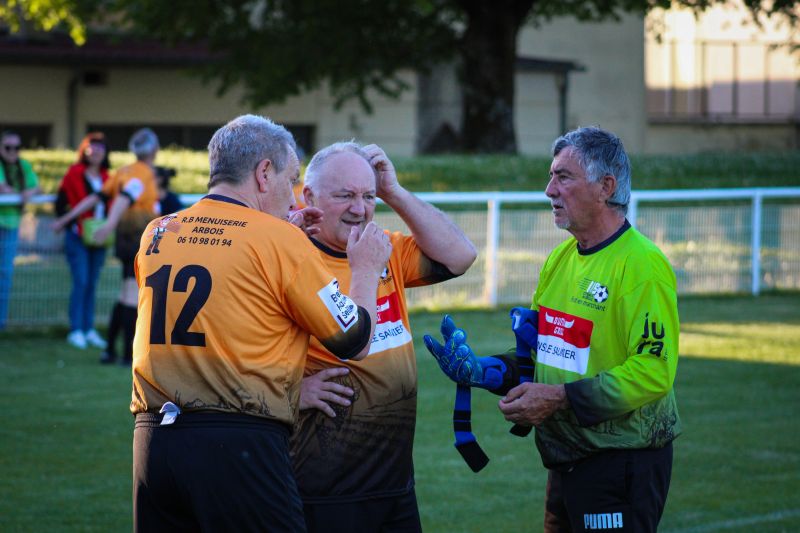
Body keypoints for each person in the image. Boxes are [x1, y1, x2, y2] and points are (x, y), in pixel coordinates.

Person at [130, 115, 391, 532]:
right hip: (238, 443)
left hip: (154, 442)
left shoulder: (158, 232)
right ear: (264, 173)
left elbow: (224, 291)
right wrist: (365, 270)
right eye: (291, 180)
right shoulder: (279, 239)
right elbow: (355, 338)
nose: (295, 198)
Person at [424, 126, 681, 532]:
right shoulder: (560, 259)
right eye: (551, 176)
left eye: (563, 177)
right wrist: (483, 370)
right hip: (566, 460)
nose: (549, 190)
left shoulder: (642, 265)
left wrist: (560, 398)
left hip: (620, 461)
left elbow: (654, 371)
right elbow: (540, 355)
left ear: (606, 187)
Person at [290, 142, 477, 532]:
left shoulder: (380, 248)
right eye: (345, 196)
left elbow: (461, 255)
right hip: (324, 485)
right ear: (310, 196)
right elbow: (237, 348)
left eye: (368, 196)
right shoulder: (290, 261)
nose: (360, 209)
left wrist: (394, 191)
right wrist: (290, 390)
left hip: (395, 481)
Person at [53, 128, 161, 365]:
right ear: (154, 149)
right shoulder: (142, 174)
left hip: (124, 238)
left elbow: (97, 197)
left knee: (125, 293)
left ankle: (110, 351)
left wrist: (66, 218)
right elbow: (124, 198)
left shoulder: (124, 170)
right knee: (132, 295)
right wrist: (109, 224)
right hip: (138, 237)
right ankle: (126, 355)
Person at [54, 133, 111, 349]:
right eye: (92, 147)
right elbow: (62, 202)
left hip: (99, 235)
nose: (96, 152)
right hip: (78, 235)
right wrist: (68, 222)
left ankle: (89, 328)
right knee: (81, 280)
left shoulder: (107, 177)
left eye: (100, 148)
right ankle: (76, 329)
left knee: (92, 282)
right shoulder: (74, 173)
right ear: (84, 150)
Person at [0, 130, 40, 330]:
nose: (12, 151)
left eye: (16, 147)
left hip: (11, 225)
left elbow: (36, 187)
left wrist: (28, 192)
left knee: (5, 274)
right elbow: (3, 188)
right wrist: (22, 193)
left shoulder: (23, 166)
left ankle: (1, 322)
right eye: (8, 147)